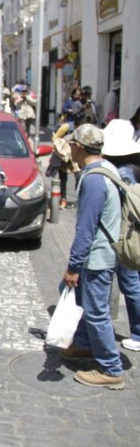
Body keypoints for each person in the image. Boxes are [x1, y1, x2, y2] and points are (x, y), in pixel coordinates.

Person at [58, 123, 124, 389]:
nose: (69, 149)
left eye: (71, 144)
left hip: (97, 256)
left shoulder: (94, 178)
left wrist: (74, 265)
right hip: (104, 252)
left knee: (97, 312)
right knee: (88, 303)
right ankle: (85, 345)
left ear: (79, 147)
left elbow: (86, 228)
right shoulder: (107, 168)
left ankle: (110, 367)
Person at [100, 119, 140, 353]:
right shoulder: (133, 166)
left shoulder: (123, 172)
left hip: (125, 234)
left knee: (131, 284)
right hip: (129, 233)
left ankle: (137, 332)